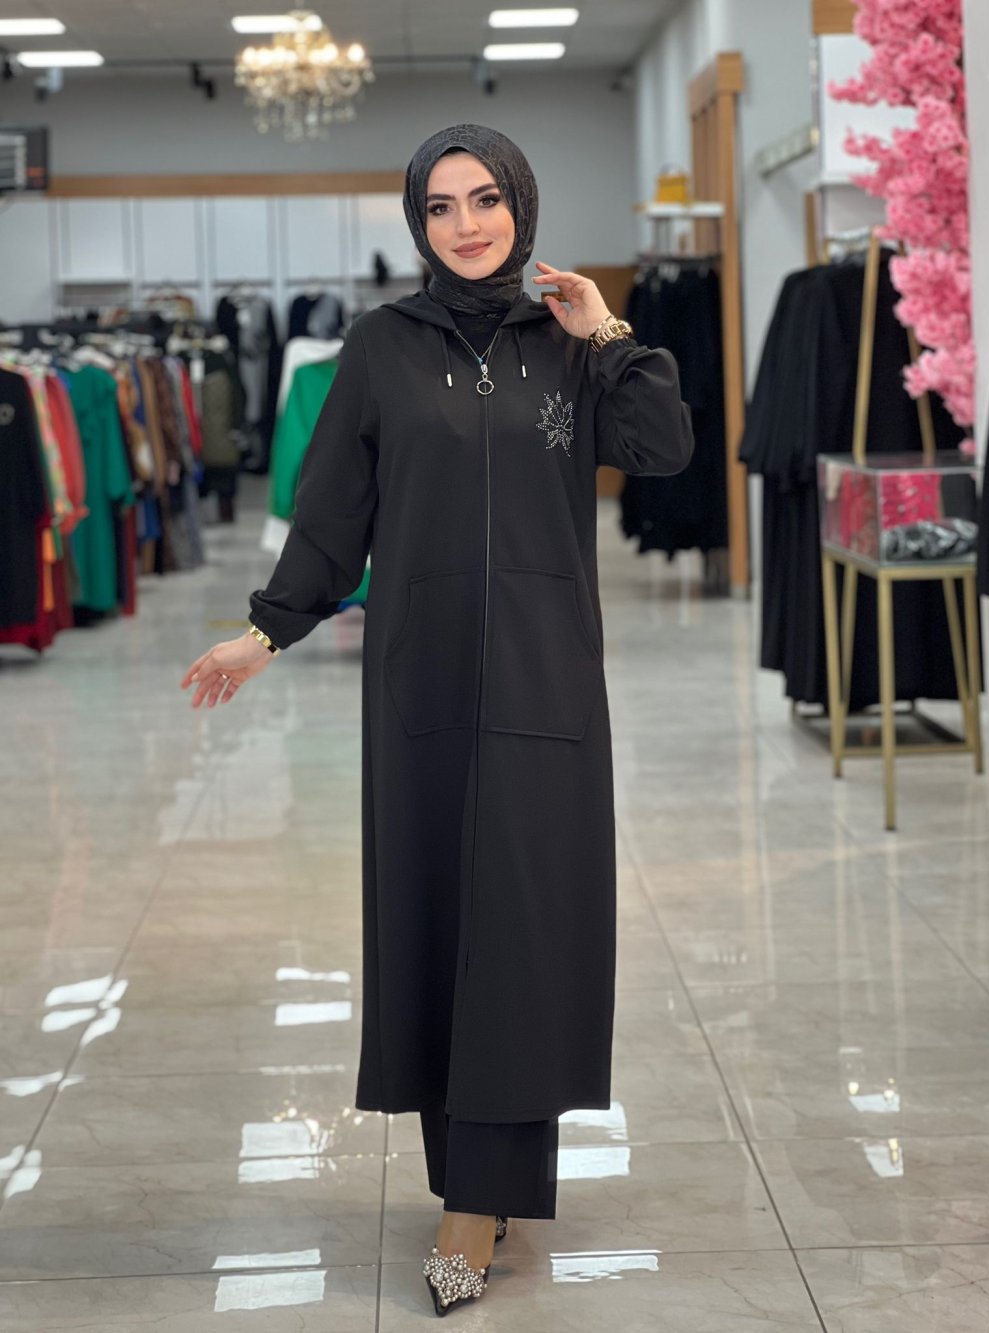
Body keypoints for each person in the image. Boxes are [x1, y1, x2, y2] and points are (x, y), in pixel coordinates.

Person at [181, 124, 693, 1317]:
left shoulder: (568, 342)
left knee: (522, 931)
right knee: (432, 921)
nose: (466, 224)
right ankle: (467, 1179)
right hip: (422, 679)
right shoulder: (380, 347)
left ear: (521, 205)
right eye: (441, 206)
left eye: (486, 199)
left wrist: (606, 333)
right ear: (418, 223)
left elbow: (663, 448)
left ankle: (477, 1202)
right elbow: (332, 512)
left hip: (545, 683)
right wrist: (264, 631)